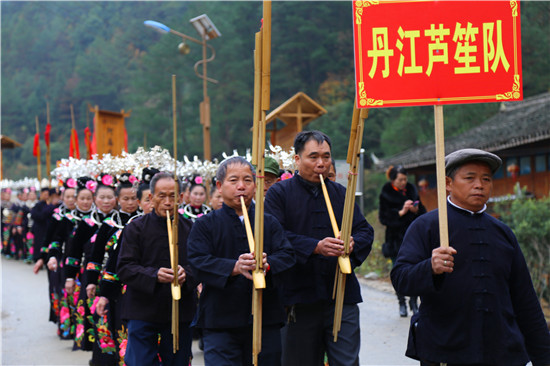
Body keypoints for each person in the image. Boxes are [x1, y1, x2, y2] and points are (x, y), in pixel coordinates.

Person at [391, 148, 550, 366]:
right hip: (445, 349)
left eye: (486, 179)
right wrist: (430, 267)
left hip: (502, 351)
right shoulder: (426, 226)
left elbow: (525, 300)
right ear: (448, 183)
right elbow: (400, 279)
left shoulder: (503, 233)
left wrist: (543, 357)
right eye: (470, 178)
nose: (479, 185)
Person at [265, 130, 374, 366]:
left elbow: (365, 230)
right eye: (313, 157)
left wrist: (352, 242)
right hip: (297, 297)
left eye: (326, 157)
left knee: (346, 361)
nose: (321, 163)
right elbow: (274, 237)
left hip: (341, 294)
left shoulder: (341, 193)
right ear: (297, 159)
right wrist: (315, 247)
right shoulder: (278, 194)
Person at [187, 156, 295, 365]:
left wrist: (268, 263)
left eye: (247, 180)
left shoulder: (268, 221)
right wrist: (233, 267)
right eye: (233, 180)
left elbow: (288, 256)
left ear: (255, 184)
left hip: (266, 319)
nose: (241, 187)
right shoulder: (205, 225)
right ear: (219, 185)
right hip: (220, 321)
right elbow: (197, 262)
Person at [117, 172, 197, 366]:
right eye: (162, 196)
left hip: (179, 310)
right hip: (142, 310)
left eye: (173, 196)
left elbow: (201, 265)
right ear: (151, 198)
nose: (168, 202)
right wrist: (155, 275)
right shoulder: (135, 228)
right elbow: (125, 268)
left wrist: (187, 273)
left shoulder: (191, 228)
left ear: (181, 198)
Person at [379, 165, 426, 317]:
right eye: (400, 179)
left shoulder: (412, 190)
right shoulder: (386, 193)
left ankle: (414, 302)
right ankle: (401, 303)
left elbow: (422, 212)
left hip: (413, 237)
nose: (404, 182)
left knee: (415, 270)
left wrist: (415, 210)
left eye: (405, 179)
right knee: (397, 271)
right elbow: (383, 218)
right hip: (394, 239)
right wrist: (401, 212)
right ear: (393, 180)